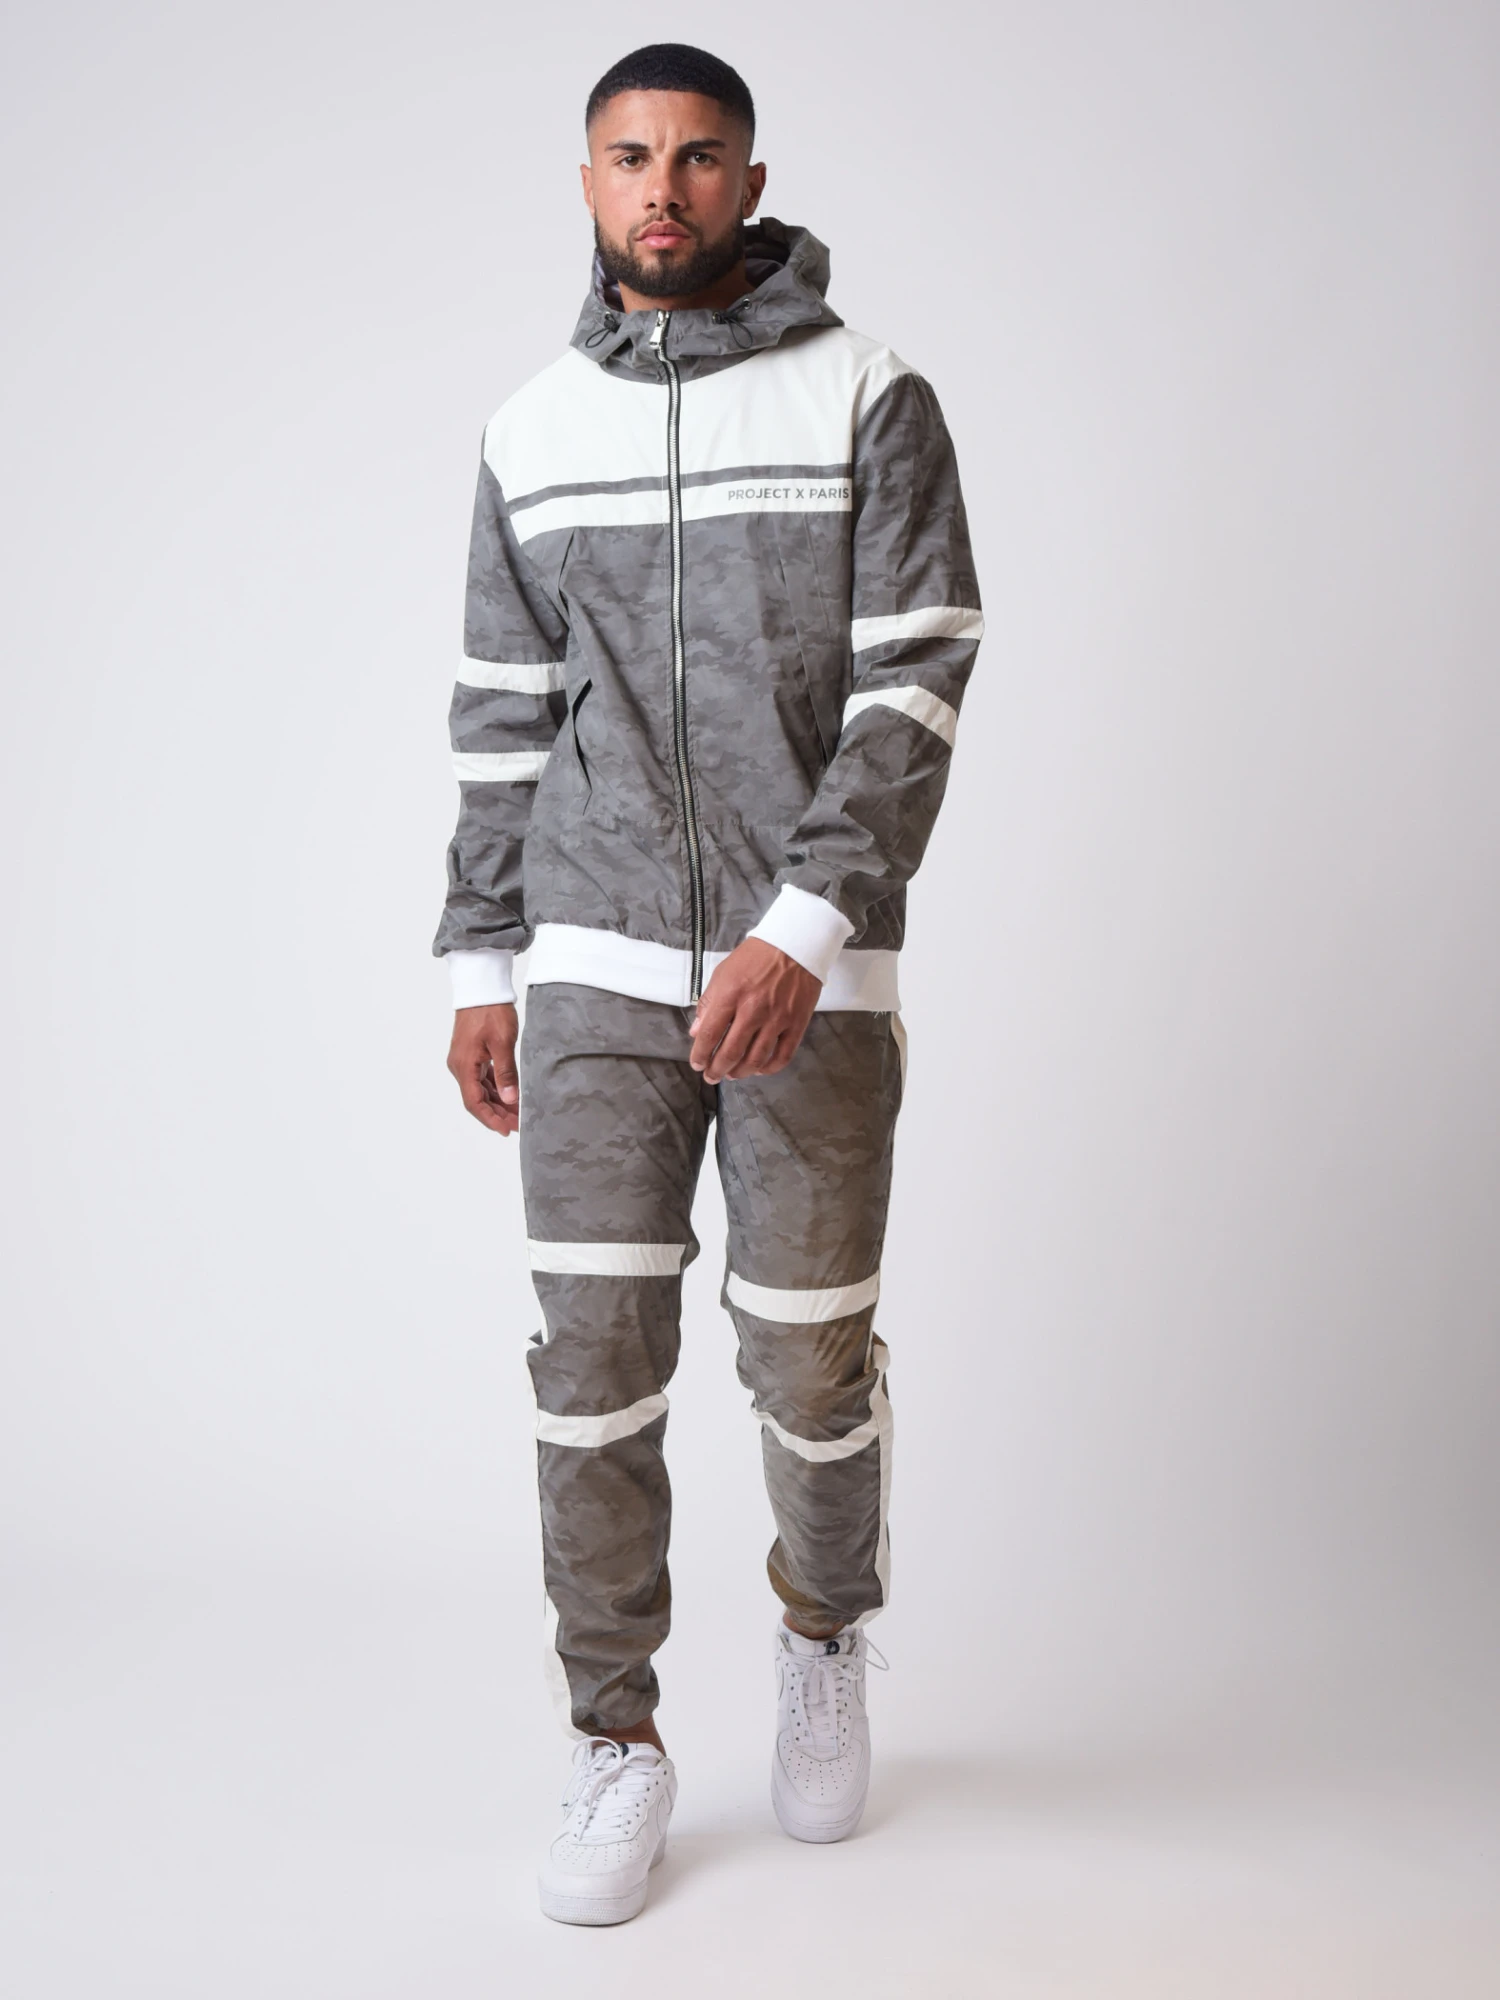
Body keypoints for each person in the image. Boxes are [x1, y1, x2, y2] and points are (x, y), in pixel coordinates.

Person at [436, 42, 981, 1925]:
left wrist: (801, 930)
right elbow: (503, 718)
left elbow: (918, 678)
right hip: (588, 962)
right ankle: (617, 1740)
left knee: (806, 1357)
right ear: (588, 179)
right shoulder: (529, 431)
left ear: (750, 178)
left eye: (695, 156)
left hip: (806, 968)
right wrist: (484, 958)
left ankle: (822, 1629)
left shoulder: (870, 396)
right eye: (626, 156)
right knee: (591, 1368)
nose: (660, 188)